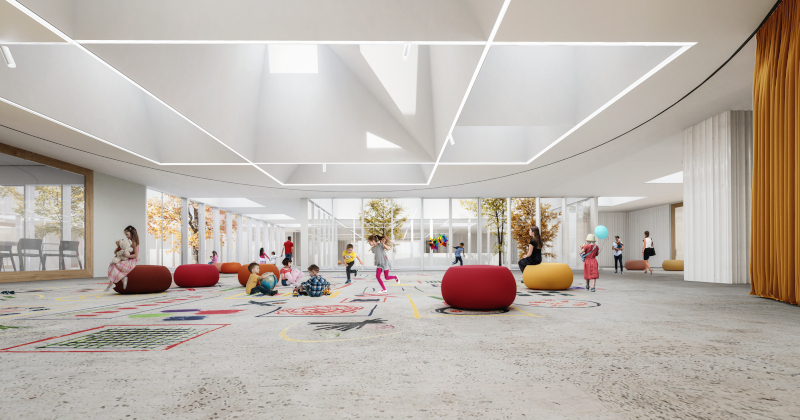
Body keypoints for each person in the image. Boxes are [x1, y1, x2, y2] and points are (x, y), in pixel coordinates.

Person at [104, 226, 140, 292]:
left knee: (115, 265)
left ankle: (112, 283)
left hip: (132, 260)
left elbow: (135, 255)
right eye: (125, 235)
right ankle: (121, 279)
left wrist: (126, 255)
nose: (126, 236)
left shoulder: (134, 242)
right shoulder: (130, 241)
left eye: (127, 234)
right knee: (113, 263)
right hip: (128, 258)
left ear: (132, 232)